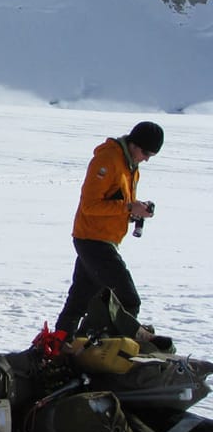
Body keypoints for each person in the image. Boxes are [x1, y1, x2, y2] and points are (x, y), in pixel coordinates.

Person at [52, 120, 163, 344]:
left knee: (79, 300)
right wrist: (129, 207)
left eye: (151, 155)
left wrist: (135, 212)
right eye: (145, 153)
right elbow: (90, 206)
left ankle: (62, 345)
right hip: (93, 239)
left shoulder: (130, 167)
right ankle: (97, 347)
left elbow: (116, 203)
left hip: (103, 239)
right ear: (133, 144)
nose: (146, 159)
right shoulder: (107, 160)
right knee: (127, 300)